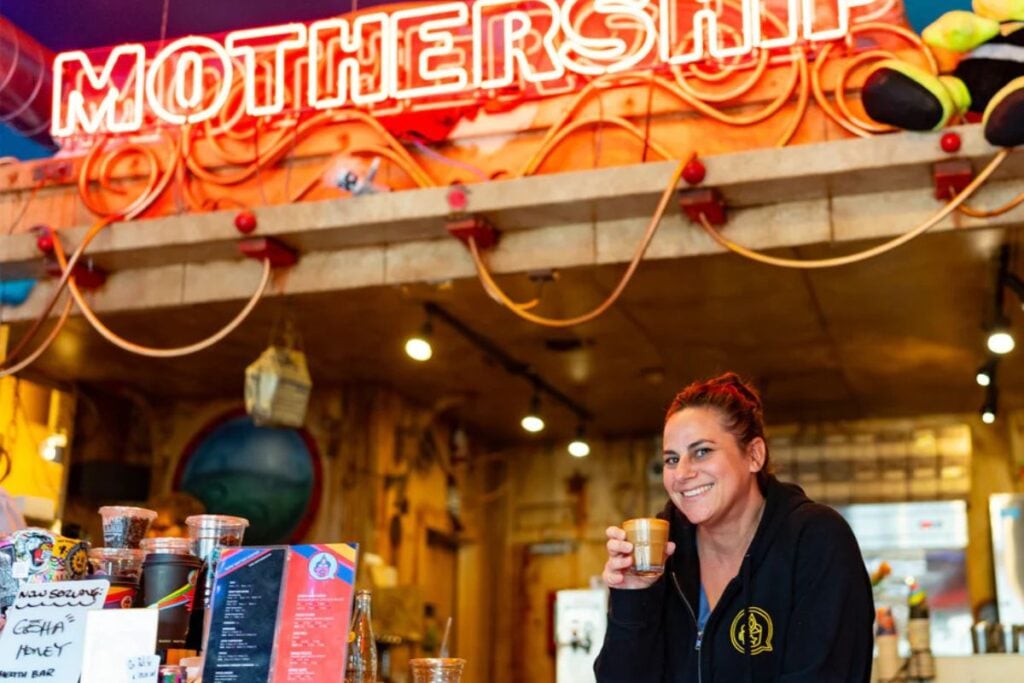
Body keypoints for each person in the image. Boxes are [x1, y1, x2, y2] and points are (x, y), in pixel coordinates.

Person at [594, 373, 874, 682]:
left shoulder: (816, 540)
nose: (682, 473)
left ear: (754, 455)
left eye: (702, 451)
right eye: (672, 459)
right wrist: (633, 599)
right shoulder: (664, 553)